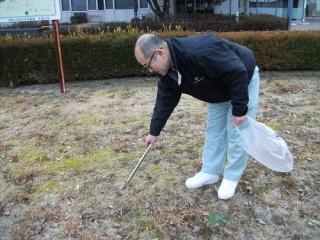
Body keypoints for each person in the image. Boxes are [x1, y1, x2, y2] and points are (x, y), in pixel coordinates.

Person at [134, 33, 260, 200]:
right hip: (217, 91)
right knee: (214, 131)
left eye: (148, 65)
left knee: (237, 132)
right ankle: (210, 171)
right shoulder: (167, 72)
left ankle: (231, 177)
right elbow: (165, 100)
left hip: (242, 80)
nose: (150, 70)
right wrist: (154, 131)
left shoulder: (199, 51)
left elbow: (236, 71)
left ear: (160, 53)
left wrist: (239, 108)